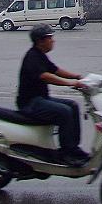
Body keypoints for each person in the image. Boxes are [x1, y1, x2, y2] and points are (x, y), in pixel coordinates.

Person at [17, 24, 89, 166]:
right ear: (40, 41)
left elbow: (55, 70)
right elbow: (46, 76)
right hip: (30, 103)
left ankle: (73, 149)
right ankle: (66, 153)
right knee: (64, 112)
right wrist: (71, 84)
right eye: (50, 38)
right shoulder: (32, 57)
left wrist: (77, 76)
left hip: (41, 99)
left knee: (73, 106)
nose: (53, 40)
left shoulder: (40, 55)